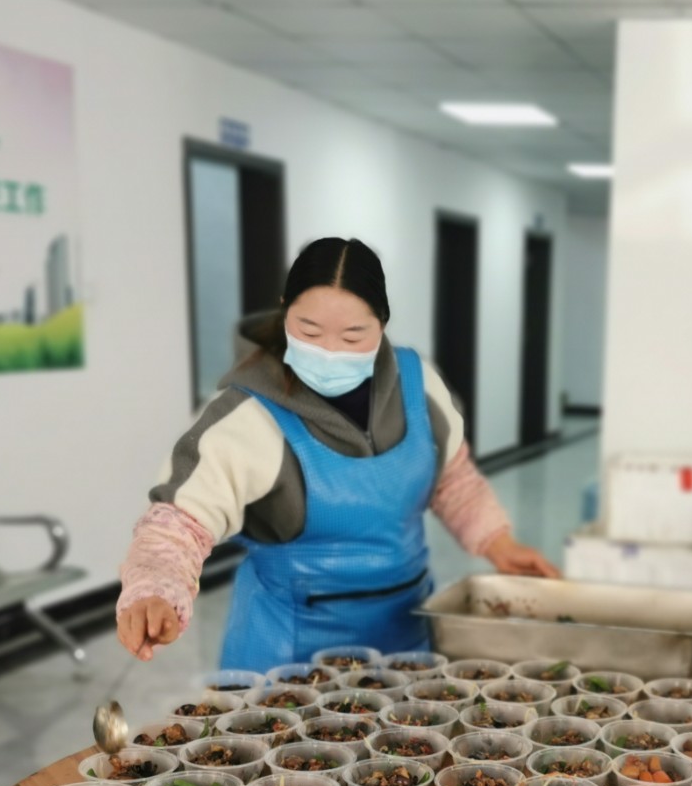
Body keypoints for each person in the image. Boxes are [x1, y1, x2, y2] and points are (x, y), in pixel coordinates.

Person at [115, 236, 557, 670]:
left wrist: (497, 542)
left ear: (382, 323)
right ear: (285, 310)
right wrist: (156, 589)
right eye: (309, 331)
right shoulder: (248, 415)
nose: (328, 352)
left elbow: (452, 479)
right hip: (287, 663)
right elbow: (178, 524)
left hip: (407, 650)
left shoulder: (418, 384)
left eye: (352, 336)